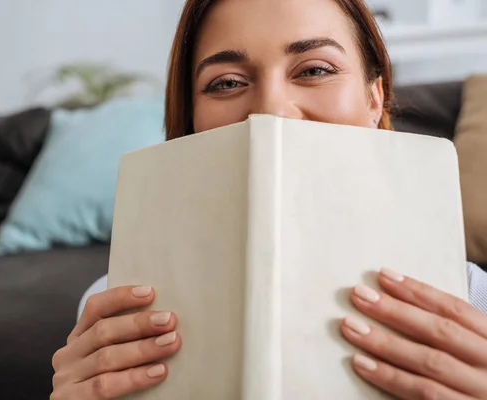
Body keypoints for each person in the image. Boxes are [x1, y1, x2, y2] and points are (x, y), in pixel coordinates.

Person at [50, 0, 487, 399]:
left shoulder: (473, 302)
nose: (272, 111)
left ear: (375, 99)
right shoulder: (115, 306)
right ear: (192, 121)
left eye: (314, 69)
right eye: (226, 82)